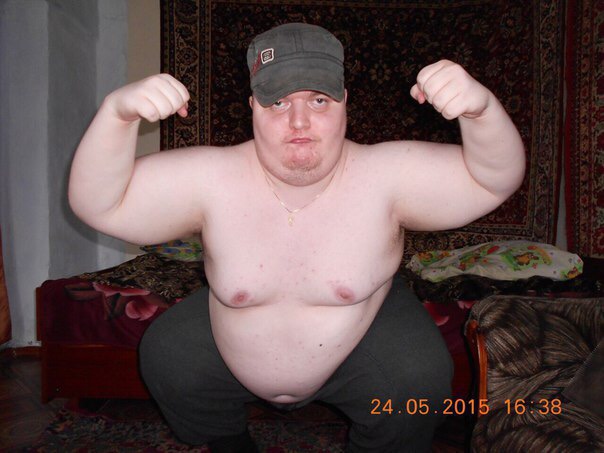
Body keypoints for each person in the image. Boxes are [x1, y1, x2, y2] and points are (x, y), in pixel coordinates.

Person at [68, 23, 525, 452]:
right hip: (229, 346)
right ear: (252, 106)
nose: (300, 122)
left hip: (361, 341)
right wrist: (116, 116)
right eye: (278, 103)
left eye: (319, 101)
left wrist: (480, 111)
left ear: (345, 102)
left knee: (418, 380)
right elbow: (100, 205)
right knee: (168, 353)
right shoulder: (211, 177)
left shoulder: (387, 175)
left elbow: (494, 180)